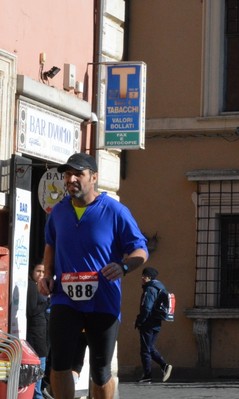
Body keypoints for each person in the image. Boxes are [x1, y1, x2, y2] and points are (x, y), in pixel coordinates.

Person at [38, 152, 148, 399]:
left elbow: (140, 250)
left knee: (100, 371)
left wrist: (124, 267)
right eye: (67, 174)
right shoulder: (58, 212)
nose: (71, 179)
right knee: (60, 364)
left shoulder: (115, 211)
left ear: (94, 177)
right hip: (64, 299)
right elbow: (50, 245)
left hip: (103, 301)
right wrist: (47, 275)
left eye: (78, 173)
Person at [135, 267, 173, 383]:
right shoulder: (160, 287)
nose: (142, 277)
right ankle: (164, 366)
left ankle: (147, 375)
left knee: (145, 350)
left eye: (144, 275)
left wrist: (140, 320)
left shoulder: (150, 289)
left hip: (148, 322)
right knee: (150, 347)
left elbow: (146, 307)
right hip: (156, 322)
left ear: (149, 277)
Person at [27, 261, 50, 399]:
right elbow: (32, 310)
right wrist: (47, 301)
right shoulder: (31, 286)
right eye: (38, 271)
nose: (41, 274)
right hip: (36, 333)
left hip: (45, 332)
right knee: (39, 367)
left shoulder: (44, 286)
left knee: (43, 365)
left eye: (43, 272)